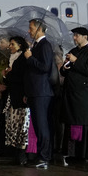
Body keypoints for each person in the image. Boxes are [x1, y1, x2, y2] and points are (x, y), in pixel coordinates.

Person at [59, 27, 88, 162]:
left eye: (77, 36)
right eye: (74, 35)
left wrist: (76, 61)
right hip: (72, 94)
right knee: (72, 122)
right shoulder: (74, 51)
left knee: (83, 123)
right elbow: (64, 71)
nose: (74, 38)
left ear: (85, 37)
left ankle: (85, 154)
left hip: (84, 95)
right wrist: (65, 66)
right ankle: (73, 153)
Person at [22, 19, 55, 168]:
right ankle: (41, 155)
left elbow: (45, 67)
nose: (29, 31)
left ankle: (44, 157)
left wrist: (30, 58)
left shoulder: (45, 45)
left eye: (31, 28)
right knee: (37, 125)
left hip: (41, 91)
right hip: (34, 91)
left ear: (39, 29)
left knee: (42, 125)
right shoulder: (36, 45)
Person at [2, 36, 31, 165]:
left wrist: (9, 74)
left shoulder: (22, 58)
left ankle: (22, 154)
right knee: (13, 125)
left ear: (20, 45)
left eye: (13, 44)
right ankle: (16, 152)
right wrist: (6, 75)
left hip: (21, 97)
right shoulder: (12, 59)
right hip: (13, 96)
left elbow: (23, 76)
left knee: (22, 126)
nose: (10, 47)